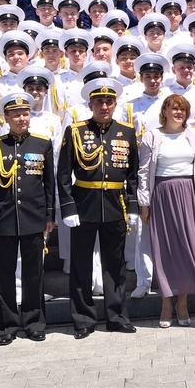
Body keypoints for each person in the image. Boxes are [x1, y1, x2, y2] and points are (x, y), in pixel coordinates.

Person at [57, 79, 139, 338]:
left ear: (115, 104)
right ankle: (83, 320)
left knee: (115, 264)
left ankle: (117, 317)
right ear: (90, 104)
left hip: (115, 203)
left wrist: (134, 204)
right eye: (99, 102)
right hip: (84, 203)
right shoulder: (76, 131)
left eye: (109, 101)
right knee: (81, 264)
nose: (104, 106)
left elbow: (133, 173)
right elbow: (63, 174)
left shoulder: (126, 131)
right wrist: (68, 207)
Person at [0, 92, 55, 344]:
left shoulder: (42, 144)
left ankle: (34, 323)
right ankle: (7, 326)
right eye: (16, 115)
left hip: (33, 216)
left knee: (34, 273)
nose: (22, 119)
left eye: (25, 114)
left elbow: (49, 184)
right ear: (6, 117)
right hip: (3, 219)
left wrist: (49, 215)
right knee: (5, 274)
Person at [138, 94, 195, 328]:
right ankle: (166, 302)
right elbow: (143, 173)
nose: (178, 112)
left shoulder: (194, 136)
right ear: (165, 112)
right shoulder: (152, 136)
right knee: (165, 251)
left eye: (182, 109)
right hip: (162, 195)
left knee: (187, 249)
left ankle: (183, 302)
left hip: (189, 195)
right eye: (174, 108)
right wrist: (144, 204)